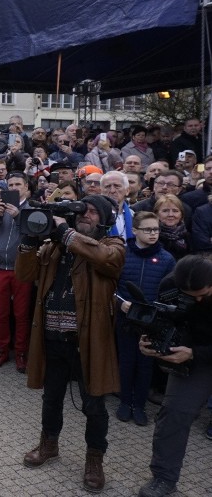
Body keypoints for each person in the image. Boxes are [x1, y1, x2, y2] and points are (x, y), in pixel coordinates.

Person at [16, 194, 124, 493]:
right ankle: (48, 445)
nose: (84, 216)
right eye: (81, 211)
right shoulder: (55, 247)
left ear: (104, 220)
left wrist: (66, 232)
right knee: (51, 398)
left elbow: (105, 260)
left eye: (91, 213)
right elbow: (25, 274)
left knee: (94, 406)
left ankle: (94, 460)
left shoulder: (113, 246)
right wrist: (29, 240)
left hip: (88, 343)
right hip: (53, 339)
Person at [136, 256, 212, 497]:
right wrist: (149, 339)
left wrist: (194, 354)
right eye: (192, 296)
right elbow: (164, 320)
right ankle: (164, 478)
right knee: (174, 414)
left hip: (198, 352)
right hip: (194, 355)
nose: (198, 300)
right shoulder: (170, 285)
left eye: (203, 294)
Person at [113, 212, 175, 427]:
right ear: (135, 230)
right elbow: (112, 287)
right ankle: (125, 402)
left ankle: (139, 405)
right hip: (126, 318)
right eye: (148, 229)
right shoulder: (121, 253)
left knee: (145, 364)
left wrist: (157, 311)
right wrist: (121, 303)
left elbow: (170, 293)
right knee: (126, 361)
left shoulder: (166, 259)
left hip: (151, 322)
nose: (153, 234)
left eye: (156, 229)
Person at [0, 172, 33, 372]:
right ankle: (2, 349)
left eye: (18, 184)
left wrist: (18, 215)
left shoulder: (32, 209)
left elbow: (33, 233)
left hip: (21, 267)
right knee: (1, 313)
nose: (13, 187)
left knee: (21, 313)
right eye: (10, 184)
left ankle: (21, 352)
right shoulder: (1, 208)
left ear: (26, 188)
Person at [154, 195, 190, 260]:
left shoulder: (188, 236)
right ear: (157, 214)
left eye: (175, 211)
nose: (170, 215)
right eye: (165, 211)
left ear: (181, 214)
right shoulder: (152, 235)